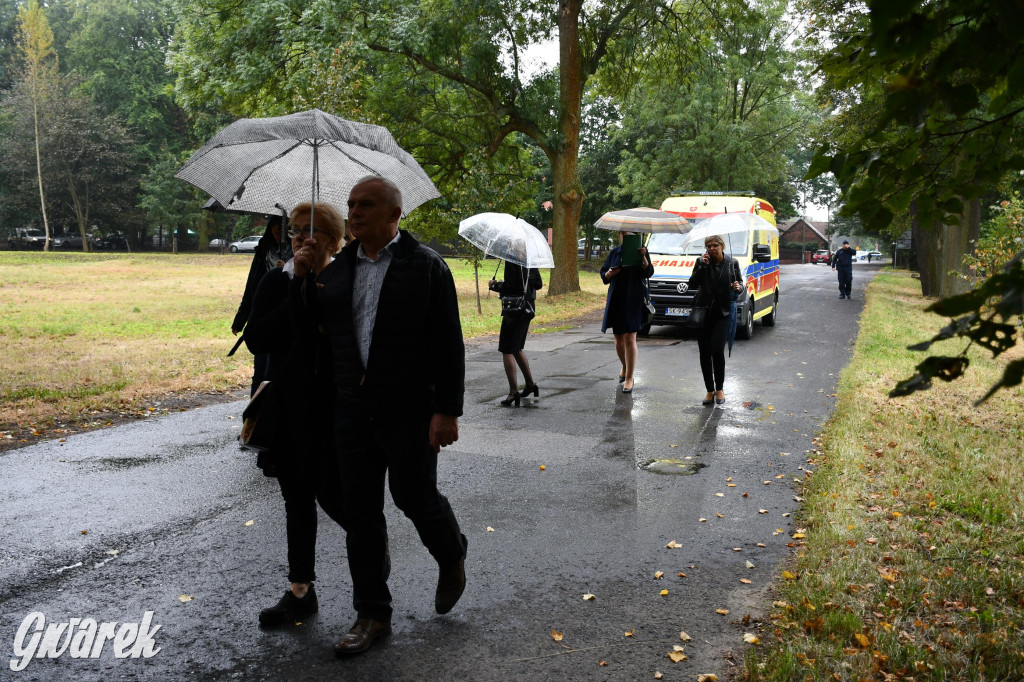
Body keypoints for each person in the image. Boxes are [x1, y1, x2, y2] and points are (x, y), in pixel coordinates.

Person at [301, 176, 467, 657]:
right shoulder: (334, 272)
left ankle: (451, 552)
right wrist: (305, 280)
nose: (354, 213)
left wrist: (446, 411)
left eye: (366, 205)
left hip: (410, 412)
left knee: (414, 498)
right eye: (351, 205)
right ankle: (373, 613)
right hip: (352, 412)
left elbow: (448, 345)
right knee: (360, 514)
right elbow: (314, 338)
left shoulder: (426, 267)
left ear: (395, 215)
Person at [243, 202, 346, 628]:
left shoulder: (347, 278)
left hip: (336, 407)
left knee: (339, 499)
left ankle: (373, 575)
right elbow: (257, 339)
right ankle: (300, 590)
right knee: (297, 500)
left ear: (335, 239)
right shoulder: (276, 280)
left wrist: (315, 288)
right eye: (296, 231)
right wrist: (297, 285)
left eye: (314, 230)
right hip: (288, 407)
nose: (303, 238)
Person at [232, 215, 293, 396]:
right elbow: (251, 287)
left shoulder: (298, 251)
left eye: (283, 226)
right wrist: (240, 319)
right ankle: (254, 416)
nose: (278, 229)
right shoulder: (263, 252)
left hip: (286, 321)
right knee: (260, 372)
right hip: (263, 319)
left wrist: (290, 267)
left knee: (279, 372)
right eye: (275, 224)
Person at [689, 234, 743, 406]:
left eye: (714, 245)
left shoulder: (732, 263)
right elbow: (692, 283)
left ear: (722, 246)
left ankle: (719, 388)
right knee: (704, 352)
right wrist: (703, 267)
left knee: (717, 350)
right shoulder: (701, 262)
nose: (711, 249)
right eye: (708, 246)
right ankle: (709, 390)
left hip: (723, 313)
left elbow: (740, 285)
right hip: (703, 313)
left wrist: (738, 286)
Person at [599, 232, 654, 394]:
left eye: (633, 235)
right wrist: (609, 273)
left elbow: (648, 272)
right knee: (618, 341)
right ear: (621, 235)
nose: (629, 237)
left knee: (630, 338)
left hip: (634, 299)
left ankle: (629, 378)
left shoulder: (642, 252)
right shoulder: (615, 252)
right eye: (626, 234)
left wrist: (644, 257)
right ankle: (625, 365)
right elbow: (604, 275)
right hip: (617, 298)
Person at [488, 261, 543, 406]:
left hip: (514, 310)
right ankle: (530, 384)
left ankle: (513, 392)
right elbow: (538, 284)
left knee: (506, 349)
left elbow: (510, 287)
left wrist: (495, 285)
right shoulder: (530, 260)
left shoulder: (512, 260)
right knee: (517, 348)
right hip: (527, 308)